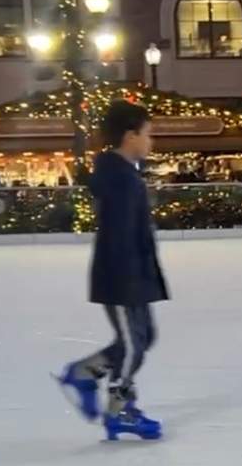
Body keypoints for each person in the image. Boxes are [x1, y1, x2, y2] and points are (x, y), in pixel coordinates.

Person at [56, 101, 167, 441]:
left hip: (136, 271)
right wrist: (130, 277)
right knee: (134, 343)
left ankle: (84, 373)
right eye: (147, 135)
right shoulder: (118, 177)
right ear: (130, 135)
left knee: (143, 337)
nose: (151, 142)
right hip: (121, 274)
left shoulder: (126, 173)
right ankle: (119, 409)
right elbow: (118, 234)